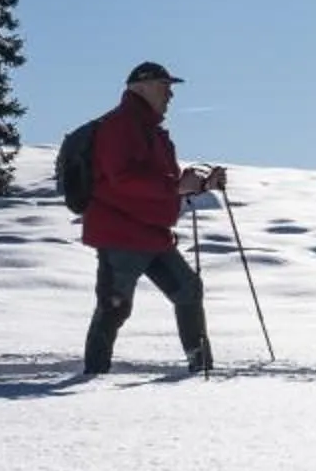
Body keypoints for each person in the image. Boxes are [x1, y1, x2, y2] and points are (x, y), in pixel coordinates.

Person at [82, 61, 225, 377]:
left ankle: (201, 367)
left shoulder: (151, 131)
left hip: (152, 234)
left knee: (188, 290)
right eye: (164, 85)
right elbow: (121, 179)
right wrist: (175, 186)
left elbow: (161, 183)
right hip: (121, 234)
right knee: (114, 307)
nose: (170, 93)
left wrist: (202, 184)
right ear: (140, 87)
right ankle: (93, 377)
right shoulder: (119, 126)